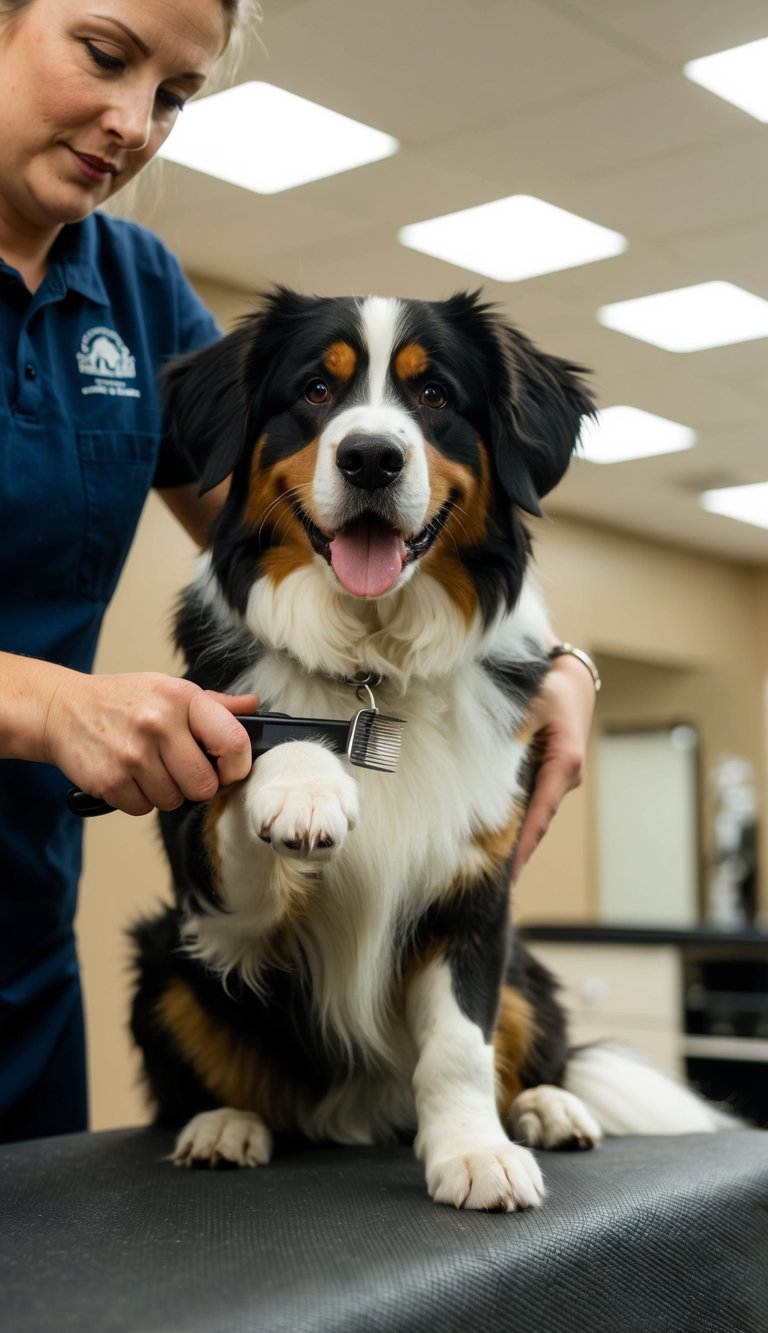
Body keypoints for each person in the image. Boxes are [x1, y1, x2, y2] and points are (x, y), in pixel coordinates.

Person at [0, 0, 596, 1145]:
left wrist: (547, 660)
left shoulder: (128, 285)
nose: (134, 122)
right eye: (106, 54)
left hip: (17, 918)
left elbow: (312, 528)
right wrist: (53, 702)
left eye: (174, 95)